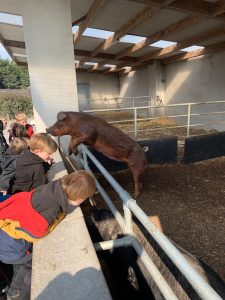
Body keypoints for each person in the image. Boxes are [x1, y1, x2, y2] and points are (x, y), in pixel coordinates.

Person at [0, 170, 96, 300]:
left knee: (23, 265)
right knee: (33, 265)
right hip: (11, 249)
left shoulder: (50, 188)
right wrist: (60, 216)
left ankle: (13, 289)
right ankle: (22, 294)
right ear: (79, 198)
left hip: (5, 239)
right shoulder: (52, 208)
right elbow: (37, 235)